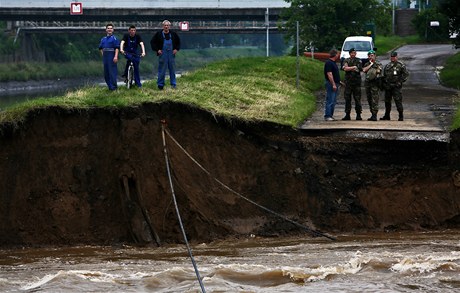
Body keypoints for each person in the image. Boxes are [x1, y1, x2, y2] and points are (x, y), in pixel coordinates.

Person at [150, 20, 181, 90]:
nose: (166, 27)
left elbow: (178, 42)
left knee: (172, 70)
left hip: (171, 54)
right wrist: (157, 50)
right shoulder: (158, 34)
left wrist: (176, 49)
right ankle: (160, 85)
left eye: (167, 25)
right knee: (162, 70)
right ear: (163, 26)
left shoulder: (173, 34)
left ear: (169, 26)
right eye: (165, 25)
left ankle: (173, 84)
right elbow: (152, 42)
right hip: (162, 54)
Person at [381, 51, 409, 121]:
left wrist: (400, 82)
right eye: (391, 57)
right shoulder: (387, 65)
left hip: (396, 87)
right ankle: (387, 115)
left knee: (398, 101)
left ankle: (401, 115)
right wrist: (384, 83)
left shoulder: (400, 65)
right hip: (388, 86)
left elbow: (406, 74)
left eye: (394, 57)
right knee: (387, 101)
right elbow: (384, 75)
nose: (392, 58)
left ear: (396, 57)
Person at [341, 48, 362, 120]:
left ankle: (358, 114)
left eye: (354, 53)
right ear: (349, 53)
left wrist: (348, 68)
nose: (353, 54)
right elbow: (345, 68)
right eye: (352, 53)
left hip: (356, 83)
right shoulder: (346, 60)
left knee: (357, 99)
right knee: (347, 99)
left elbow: (358, 69)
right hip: (348, 83)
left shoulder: (358, 60)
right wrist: (353, 67)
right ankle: (347, 114)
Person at [362, 50, 383, 121]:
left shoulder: (378, 64)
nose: (371, 57)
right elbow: (364, 70)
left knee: (375, 100)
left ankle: (374, 115)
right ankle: (372, 114)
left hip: (375, 84)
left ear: (375, 56)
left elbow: (379, 71)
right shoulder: (366, 64)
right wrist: (370, 64)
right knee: (369, 99)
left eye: (372, 55)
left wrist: (374, 67)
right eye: (369, 56)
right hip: (368, 84)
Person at [98, 23, 119, 91]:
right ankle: (110, 87)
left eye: (111, 28)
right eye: (108, 28)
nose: (109, 29)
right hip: (105, 58)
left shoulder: (114, 38)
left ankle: (114, 88)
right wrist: (103, 54)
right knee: (106, 74)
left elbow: (116, 48)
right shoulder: (103, 39)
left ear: (113, 30)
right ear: (106, 30)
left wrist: (115, 56)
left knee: (112, 73)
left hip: (112, 57)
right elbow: (100, 48)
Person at [323, 49, 341, 121]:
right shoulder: (329, 63)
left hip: (335, 83)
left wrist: (339, 82)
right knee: (330, 99)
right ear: (335, 54)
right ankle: (327, 115)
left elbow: (335, 74)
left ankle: (330, 114)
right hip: (331, 83)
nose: (338, 55)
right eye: (338, 54)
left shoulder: (333, 63)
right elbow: (329, 74)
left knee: (333, 100)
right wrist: (333, 84)